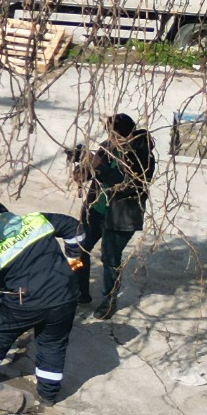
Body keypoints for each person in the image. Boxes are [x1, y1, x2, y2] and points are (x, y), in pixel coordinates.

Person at [0, 198, 91, 402]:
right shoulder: (36, 221)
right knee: (53, 344)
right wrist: (74, 259)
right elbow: (74, 227)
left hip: (24, 305)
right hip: (64, 297)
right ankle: (48, 395)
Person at [73, 113, 155, 316]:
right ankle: (79, 291)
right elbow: (92, 172)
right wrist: (82, 166)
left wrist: (98, 165)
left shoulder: (142, 157)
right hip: (95, 209)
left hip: (120, 217)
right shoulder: (107, 147)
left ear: (127, 135)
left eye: (115, 135)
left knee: (110, 258)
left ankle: (109, 300)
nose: (111, 139)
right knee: (77, 249)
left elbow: (126, 185)